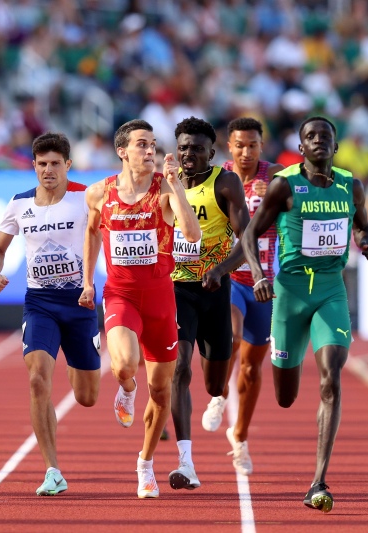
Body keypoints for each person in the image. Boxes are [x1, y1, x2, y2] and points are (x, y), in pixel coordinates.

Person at [241, 116, 368, 512]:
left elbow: (362, 227)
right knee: (286, 395)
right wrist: (258, 275)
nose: (319, 141)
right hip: (290, 292)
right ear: (301, 148)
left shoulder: (350, 185)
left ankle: (318, 479)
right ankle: (287, 364)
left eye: (326, 136)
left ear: (335, 147)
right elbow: (251, 234)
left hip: (332, 291)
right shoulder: (284, 185)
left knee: (331, 378)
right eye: (310, 137)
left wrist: (365, 243)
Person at [79, 119, 201, 498]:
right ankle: (127, 389)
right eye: (141, 145)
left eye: (152, 145)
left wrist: (177, 186)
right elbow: (91, 231)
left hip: (162, 300)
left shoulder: (165, 191)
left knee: (163, 391)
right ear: (122, 151)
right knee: (124, 365)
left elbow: (193, 234)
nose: (149, 151)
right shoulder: (99, 193)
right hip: (121, 295)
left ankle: (145, 463)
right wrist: (87, 281)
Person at [0, 132, 101, 496]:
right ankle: (52, 469)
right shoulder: (20, 203)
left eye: (55, 163)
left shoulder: (86, 197)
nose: (48, 170)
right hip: (39, 303)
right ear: (34, 166)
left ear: (68, 164)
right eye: (41, 164)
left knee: (86, 396)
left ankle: (78, 360)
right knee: (37, 379)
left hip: (79, 303)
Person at [167, 117, 250, 491]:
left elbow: (245, 241)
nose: (188, 155)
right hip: (176, 289)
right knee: (179, 368)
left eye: (197, 149)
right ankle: (186, 462)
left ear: (211, 153)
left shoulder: (225, 183)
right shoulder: (164, 186)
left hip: (215, 290)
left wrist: (220, 269)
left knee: (215, 383)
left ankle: (217, 396)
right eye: (183, 147)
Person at [200, 117, 284, 477]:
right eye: (239, 145)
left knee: (251, 368)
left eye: (252, 145)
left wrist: (278, 198)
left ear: (261, 146)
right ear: (229, 147)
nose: (246, 152)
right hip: (230, 277)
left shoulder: (279, 176)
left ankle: (241, 438)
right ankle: (218, 395)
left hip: (263, 285)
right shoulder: (221, 179)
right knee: (230, 337)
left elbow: (300, 210)